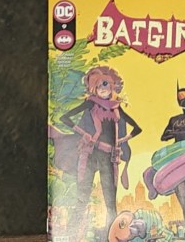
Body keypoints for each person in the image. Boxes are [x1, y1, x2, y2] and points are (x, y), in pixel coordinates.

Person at [60, 66, 141, 231]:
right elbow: (65, 118)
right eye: (99, 85)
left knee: (110, 203)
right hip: (91, 154)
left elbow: (137, 128)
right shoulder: (90, 103)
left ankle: (111, 237)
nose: (103, 88)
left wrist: (121, 140)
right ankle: (71, 234)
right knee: (82, 198)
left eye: (106, 85)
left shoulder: (116, 107)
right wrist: (84, 133)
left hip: (109, 157)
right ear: (94, 88)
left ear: (112, 86)